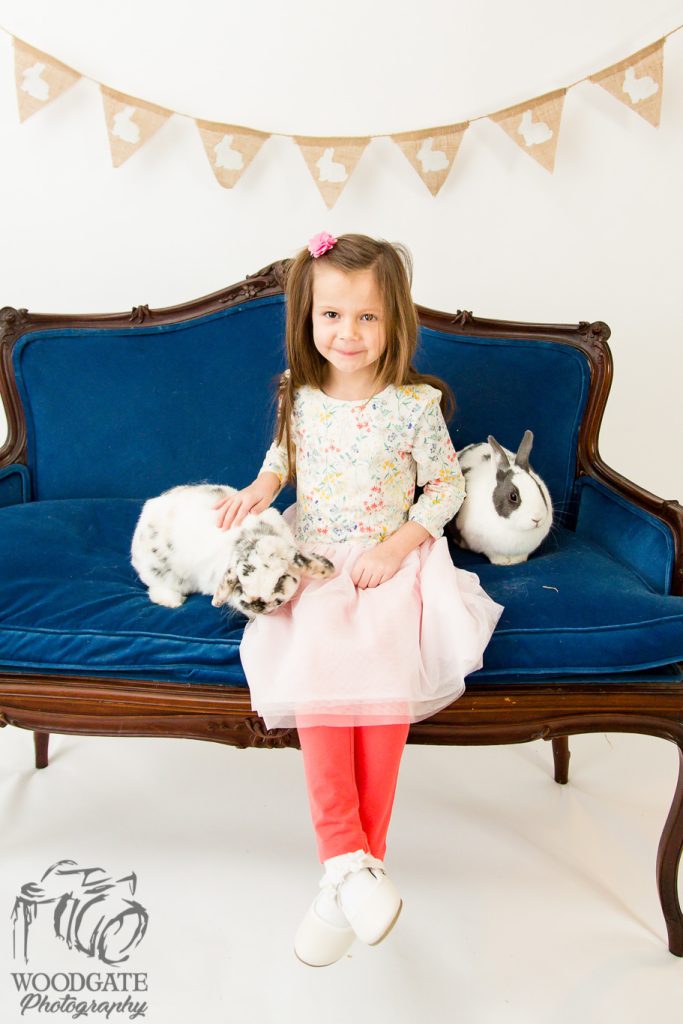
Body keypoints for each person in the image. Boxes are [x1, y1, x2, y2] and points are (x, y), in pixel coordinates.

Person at [212, 231, 504, 967]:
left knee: (382, 671)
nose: (348, 332)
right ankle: (349, 862)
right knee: (316, 656)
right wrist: (260, 489)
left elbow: (445, 485)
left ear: (394, 321)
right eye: (332, 315)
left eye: (367, 317)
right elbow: (281, 460)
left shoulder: (412, 406)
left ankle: (344, 872)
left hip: (388, 558)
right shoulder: (299, 394)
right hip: (316, 556)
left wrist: (397, 547)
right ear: (308, 319)